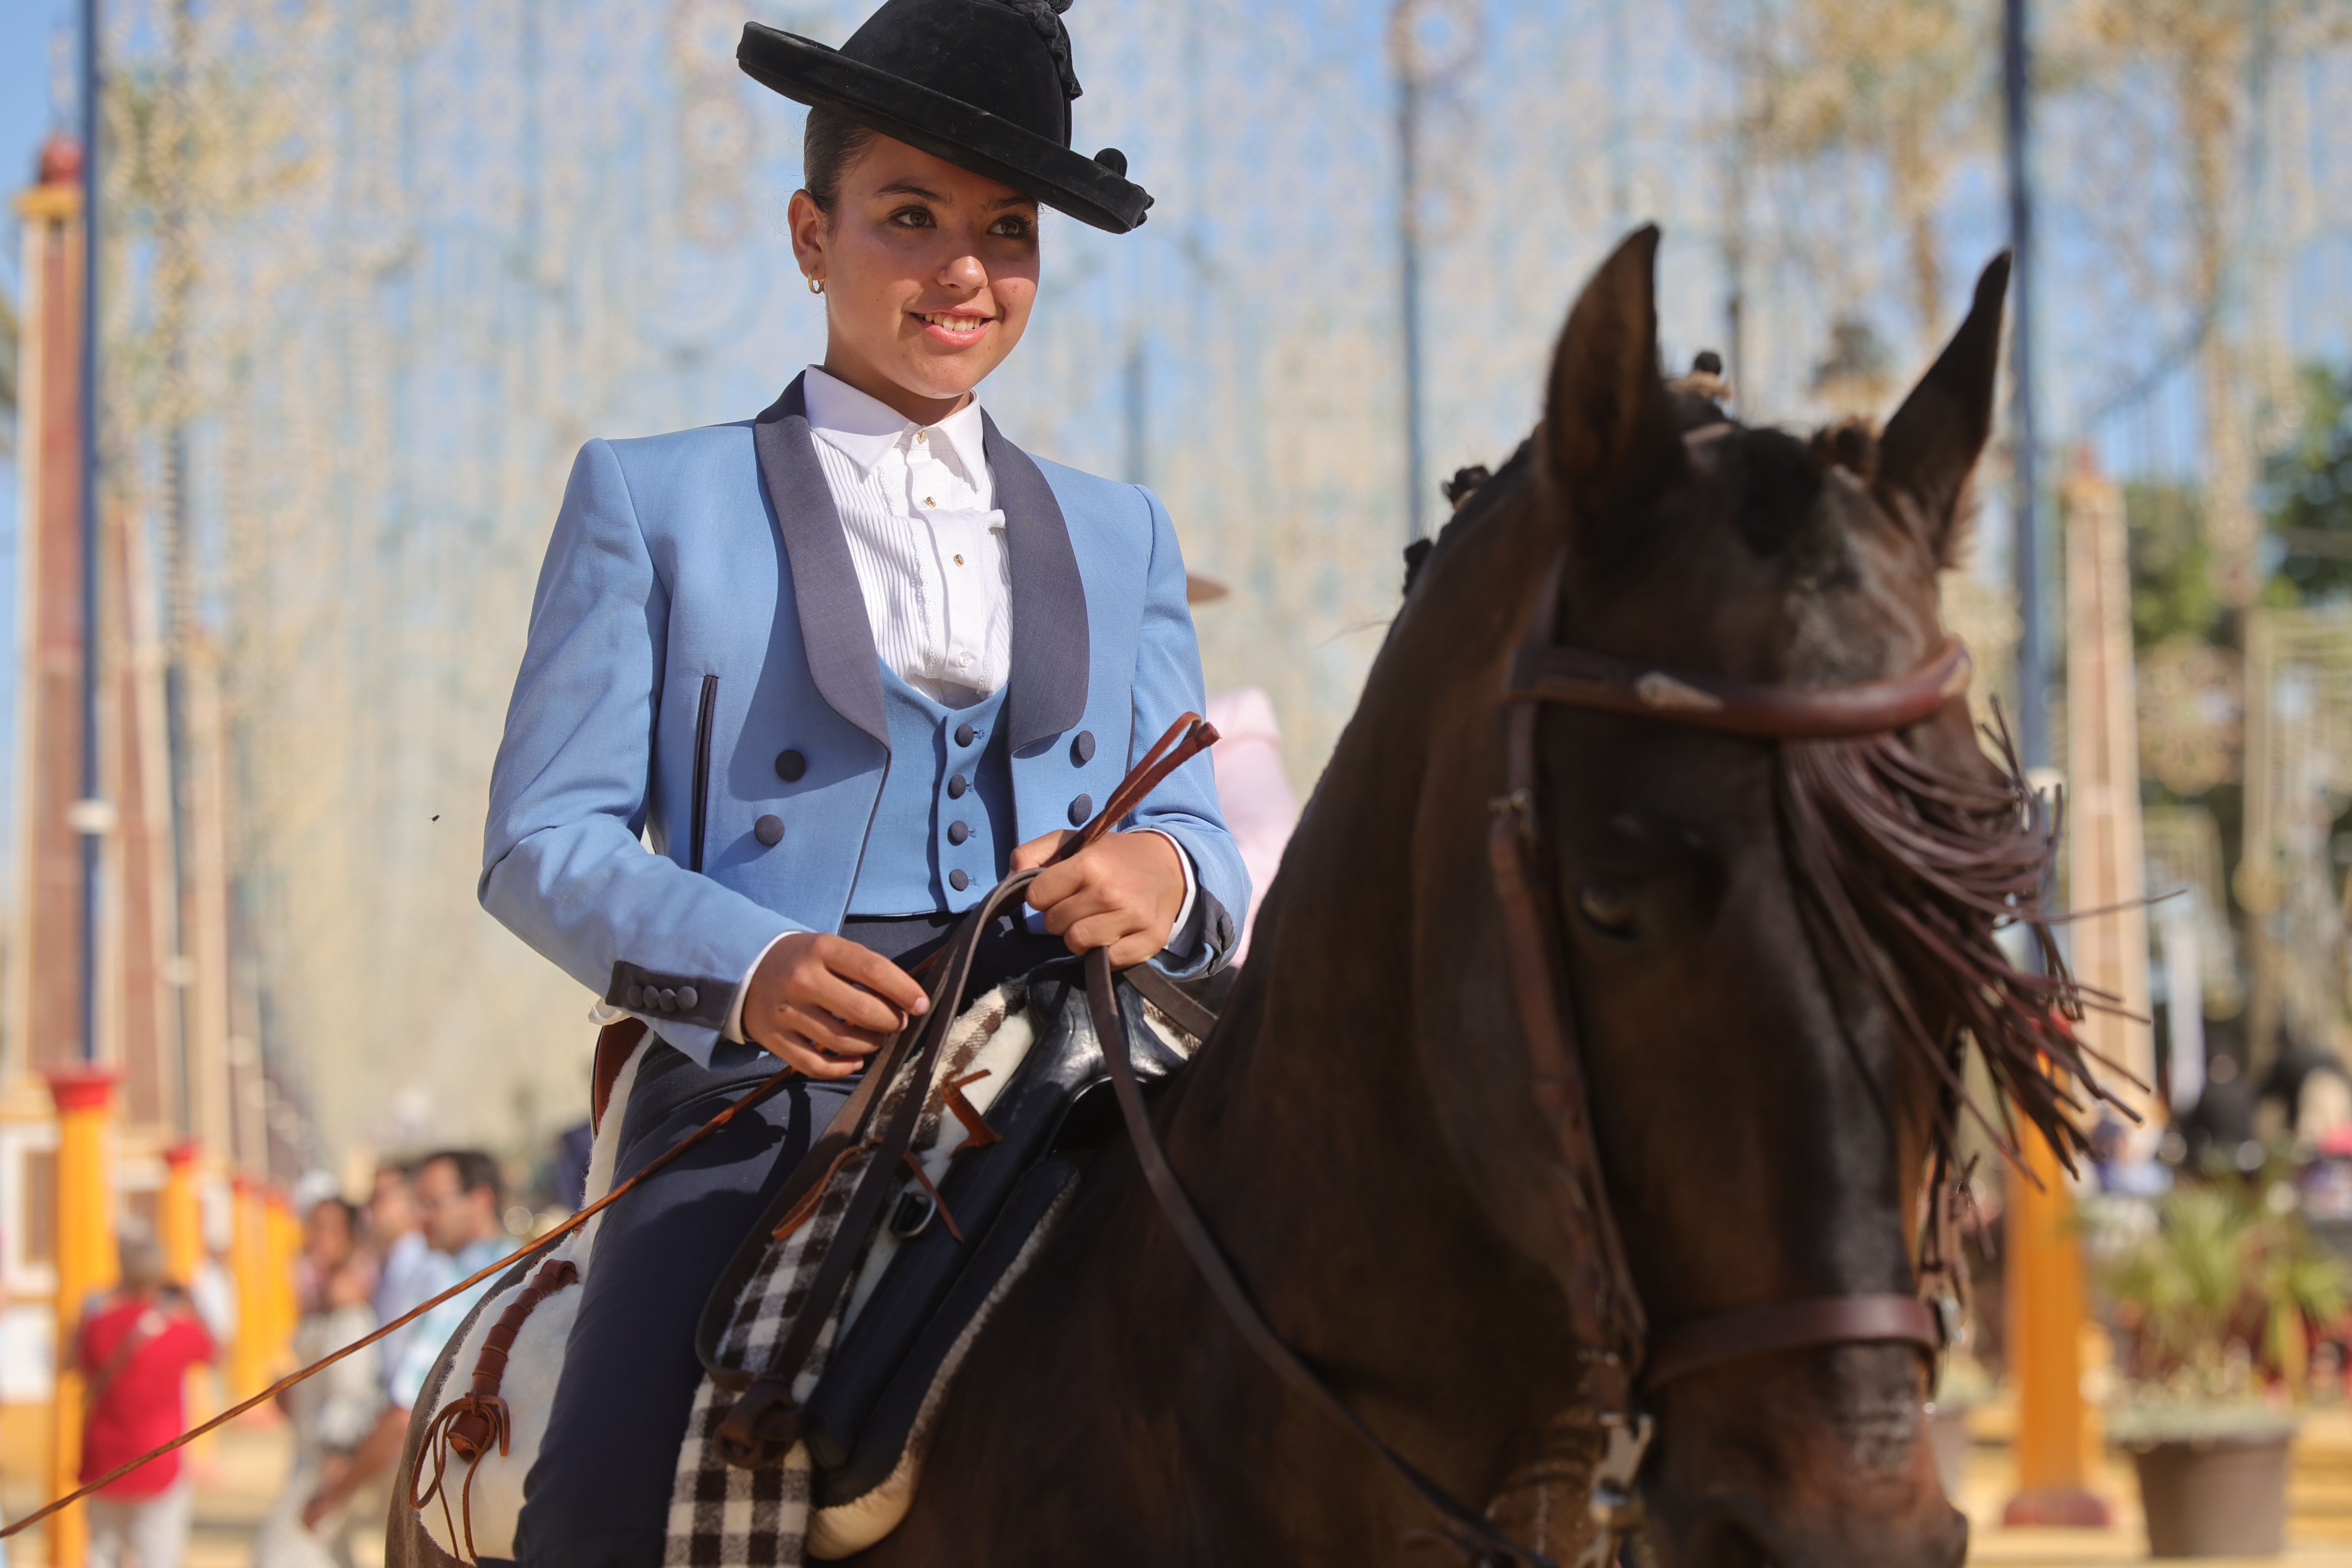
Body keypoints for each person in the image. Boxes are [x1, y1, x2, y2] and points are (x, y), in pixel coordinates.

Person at [474, 1, 1246, 1558]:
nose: (961, 271)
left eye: (1005, 231)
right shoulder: (651, 496)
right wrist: (742, 962)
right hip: (780, 1068)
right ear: (809, 235)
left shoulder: (1125, 531)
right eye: (910, 217)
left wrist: (1160, 881)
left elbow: (1197, 840)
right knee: (604, 1499)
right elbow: (540, 837)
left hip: (1079, 1053)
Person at [302, 1151, 508, 1530]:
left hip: (462, 1506)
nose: (421, 1217)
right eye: (418, 1204)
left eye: (433, 1204)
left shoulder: (467, 1282)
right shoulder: (520, 1265)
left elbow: (403, 1416)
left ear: (481, 1200)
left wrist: (334, 1495)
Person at [254, 1201, 384, 1568]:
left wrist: (338, 1466)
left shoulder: (349, 1306)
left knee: (281, 1555)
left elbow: (353, 1391)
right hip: (307, 1451)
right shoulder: (320, 1295)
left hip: (327, 1460)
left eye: (329, 1228)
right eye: (314, 1227)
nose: (317, 1238)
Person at [76, 1235, 215, 1568]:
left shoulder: (99, 1325)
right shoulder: (176, 1330)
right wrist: (191, 1300)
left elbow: (76, 1362)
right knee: (158, 1557)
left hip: (104, 1460)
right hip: (159, 1460)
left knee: (101, 1554)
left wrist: (93, 1304)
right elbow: (214, 1349)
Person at [364, 1162, 450, 1406]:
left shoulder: (432, 1266)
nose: (370, 1208)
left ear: (410, 1201)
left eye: (379, 1197)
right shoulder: (387, 1264)